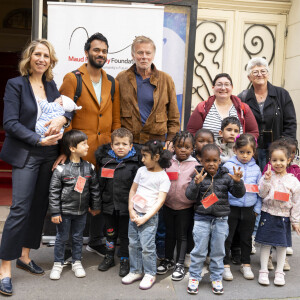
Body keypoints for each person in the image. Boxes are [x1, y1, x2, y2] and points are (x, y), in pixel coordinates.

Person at [0, 39, 71, 296]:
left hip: (48, 154)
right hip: (27, 153)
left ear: (51, 61)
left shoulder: (52, 86)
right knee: (19, 208)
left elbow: (65, 111)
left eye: (46, 55)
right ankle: (4, 268)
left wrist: (64, 117)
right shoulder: (15, 85)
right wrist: (37, 139)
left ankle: (25, 255)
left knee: (39, 206)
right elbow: (10, 123)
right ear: (29, 58)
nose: (42, 59)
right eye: (37, 54)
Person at [57, 32, 121, 258]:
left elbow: (115, 118)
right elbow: (65, 118)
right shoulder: (72, 78)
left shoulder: (112, 82)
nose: (100, 54)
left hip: (104, 153)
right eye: (96, 50)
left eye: (104, 51)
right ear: (86, 52)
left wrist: (115, 147)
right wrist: (66, 151)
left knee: (99, 197)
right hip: (79, 152)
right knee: (73, 198)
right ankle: (64, 248)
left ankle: (95, 241)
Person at [185, 144, 246, 295]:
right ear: (201, 160)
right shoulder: (198, 175)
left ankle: (216, 277)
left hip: (221, 220)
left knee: (218, 251)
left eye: (215, 160)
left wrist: (238, 182)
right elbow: (189, 196)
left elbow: (239, 194)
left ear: (220, 161)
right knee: (199, 250)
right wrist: (195, 184)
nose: (211, 163)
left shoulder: (226, 175)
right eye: (207, 160)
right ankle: (194, 277)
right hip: (201, 218)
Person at [48, 130, 101, 280]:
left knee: (78, 237)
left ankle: (77, 261)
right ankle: (58, 263)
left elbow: (94, 189)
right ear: (72, 148)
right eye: (83, 144)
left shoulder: (89, 167)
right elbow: (54, 192)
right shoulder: (60, 169)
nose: (87, 146)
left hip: (82, 211)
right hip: (64, 211)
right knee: (62, 237)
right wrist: (55, 212)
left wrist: (95, 206)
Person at [121, 141, 172, 290]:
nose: (142, 159)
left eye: (145, 156)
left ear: (156, 157)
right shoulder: (141, 171)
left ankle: (150, 273)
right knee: (133, 243)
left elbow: (160, 201)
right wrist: (131, 209)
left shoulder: (163, 178)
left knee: (147, 247)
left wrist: (145, 217)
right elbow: (133, 191)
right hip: (135, 213)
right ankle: (135, 270)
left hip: (148, 217)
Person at [116, 36, 180, 147]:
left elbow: (174, 114)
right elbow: (115, 111)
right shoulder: (122, 78)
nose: (144, 57)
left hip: (156, 143)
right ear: (133, 55)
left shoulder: (166, 79)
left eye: (148, 53)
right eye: (140, 53)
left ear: (153, 56)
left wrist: (170, 139)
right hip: (128, 143)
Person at [95, 128, 140, 277]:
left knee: (125, 235)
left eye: (124, 144)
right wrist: (96, 204)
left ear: (131, 146)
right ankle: (109, 256)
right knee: (109, 233)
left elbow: (139, 188)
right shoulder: (105, 162)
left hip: (127, 208)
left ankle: (125, 259)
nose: (121, 147)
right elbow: (99, 185)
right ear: (112, 146)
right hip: (109, 206)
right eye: (117, 144)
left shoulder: (135, 165)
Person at [238, 57, 297, 171]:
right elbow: (238, 125)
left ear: (268, 74)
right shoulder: (242, 98)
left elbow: (290, 123)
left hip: (277, 153)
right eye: (255, 72)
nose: (260, 74)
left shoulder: (282, 94)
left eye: (263, 71)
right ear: (249, 77)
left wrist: (286, 148)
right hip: (251, 152)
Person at [256, 141, 300, 286]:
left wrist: (295, 221)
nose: (278, 163)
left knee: (282, 246)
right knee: (265, 244)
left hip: (284, 217)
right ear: (270, 160)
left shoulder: (293, 181)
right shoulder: (267, 176)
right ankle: (263, 271)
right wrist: (267, 181)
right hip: (268, 214)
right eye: (274, 160)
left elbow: (296, 203)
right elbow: (261, 193)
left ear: (288, 160)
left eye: (282, 160)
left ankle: (279, 272)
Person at [156, 131, 199, 281]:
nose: (183, 149)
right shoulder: (168, 162)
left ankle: (180, 264)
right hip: (167, 205)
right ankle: (168, 260)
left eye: (187, 147)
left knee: (182, 235)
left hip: (185, 208)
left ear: (192, 148)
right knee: (169, 234)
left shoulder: (196, 165)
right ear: (174, 146)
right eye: (179, 146)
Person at [222, 134, 261, 281]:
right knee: (227, 237)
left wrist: (257, 209)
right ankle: (225, 265)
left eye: (248, 152)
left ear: (253, 152)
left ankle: (246, 264)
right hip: (231, 208)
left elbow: (260, 191)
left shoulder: (257, 169)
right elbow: (223, 189)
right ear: (235, 150)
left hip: (249, 209)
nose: (245, 155)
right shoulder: (227, 166)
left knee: (246, 238)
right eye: (242, 152)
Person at [187, 73, 259, 140]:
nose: (223, 88)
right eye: (219, 84)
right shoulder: (202, 107)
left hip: (236, 152)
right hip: (208, 152)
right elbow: (192, 131)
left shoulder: (243, 108)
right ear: (213, 88)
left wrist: (243, 145)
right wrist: (204, 146)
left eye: (227, 84)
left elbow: (253, 132)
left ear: (232, 87)